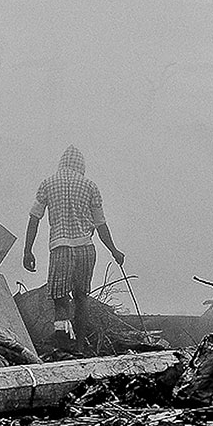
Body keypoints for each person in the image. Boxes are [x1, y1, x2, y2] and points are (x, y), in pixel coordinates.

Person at [23, 145, 124, 355]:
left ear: (61, 164)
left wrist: (28, 251)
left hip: (61, 248)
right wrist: (114, 251)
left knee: (60, 299)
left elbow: (34, 218)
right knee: (81, 297)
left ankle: (63, 344)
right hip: (85, 249)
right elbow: (101, 224)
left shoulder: (48, 184)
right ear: (81, 166)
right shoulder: (90, 186)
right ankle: (79, 347)